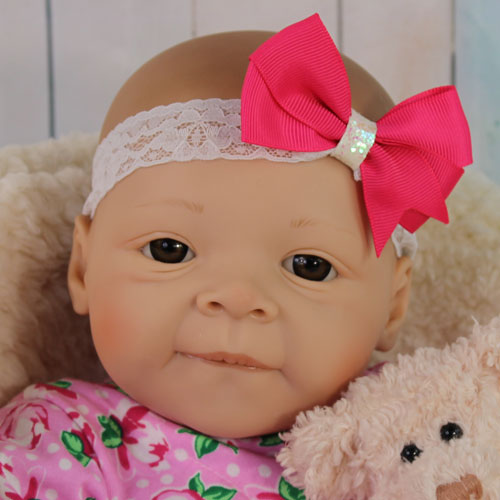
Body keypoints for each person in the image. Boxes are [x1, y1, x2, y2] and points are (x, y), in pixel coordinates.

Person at [0, 14, 472, 499]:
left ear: (393, 304)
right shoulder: (65, 438)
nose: (238, 298)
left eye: (310, 266)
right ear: (84, 267)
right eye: (170, 250)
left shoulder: (421, 427)